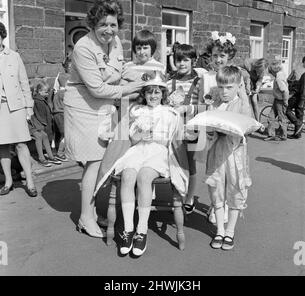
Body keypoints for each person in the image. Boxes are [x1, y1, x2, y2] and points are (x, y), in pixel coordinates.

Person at [64, 0, 144, 238]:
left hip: (105, 106)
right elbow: (97, 88)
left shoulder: (116, 42)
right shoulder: (83, 48)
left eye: (113, 25)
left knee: (103, 158)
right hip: (84, 107)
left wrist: (136, 77)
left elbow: (119, 70)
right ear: (92, 25)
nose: (108, 31)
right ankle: (85, 217)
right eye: (103, 25)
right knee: (94, 161)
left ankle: (90, 210)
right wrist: (129, 88)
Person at [94, 72, 188, 257]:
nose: (153, 96)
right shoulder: (136, 111)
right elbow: (131, 138)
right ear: (144, 94)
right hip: (137, 150)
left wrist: (157, 139)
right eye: (149, 92)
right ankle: (128, 229)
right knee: (128, 175)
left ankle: (141, 230)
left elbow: (174, 142)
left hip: (158, 152)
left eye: (157, 92)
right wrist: (139, 137)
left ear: (163, 94)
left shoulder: (170, 114)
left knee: (144, 177)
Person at [200, 66, 252, 250]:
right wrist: (211, 129)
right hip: (216, 153)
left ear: (238, 86)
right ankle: (220, 230)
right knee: (217, 191)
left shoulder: (241, 103)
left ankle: (230, 231)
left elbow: (247, 124)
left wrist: (244, 96)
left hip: (235, 155)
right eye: (221, 87)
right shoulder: (215, 104)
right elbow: (208, 129)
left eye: (229, 87)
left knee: (235, 190)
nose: (224, 91)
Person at [166, 44, 204, 214]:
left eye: (185, 60)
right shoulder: (169, 82)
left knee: (190, 164)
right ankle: (178, 193)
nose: (181, 63)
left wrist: (188, 109)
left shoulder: (199, 82)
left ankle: (189, 197)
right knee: (174, 162)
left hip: (192, 128)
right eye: (178, 60)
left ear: (192, 61)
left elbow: (203, 106)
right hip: (173, 129)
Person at [0, 22, 37, 197]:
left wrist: (28, 107)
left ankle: (29, 181)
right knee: (2, 146)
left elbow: (24, 83)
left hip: (16, 107)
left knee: (21, 144)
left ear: (2, 36)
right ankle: (8, 182)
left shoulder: (14, 56)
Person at [120, 29, 165, 100]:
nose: (141, 52)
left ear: (152, 48)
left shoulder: (159, 67)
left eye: (145, 48)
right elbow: (123, 86)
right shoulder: (128, 66)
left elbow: (159, 88)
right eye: (138, 48)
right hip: (130, 105)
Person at [28, 81, 62, 167]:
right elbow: (39, 114)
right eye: (45, 92)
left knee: (45, 136)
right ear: (39, 91)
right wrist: (43, 124)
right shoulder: (38, 100)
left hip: (35, 123)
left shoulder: (38, 99)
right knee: (39, 136)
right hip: (32, 124)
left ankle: (50, 156)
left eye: (31, 91)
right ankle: (41, 158)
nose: (47, 94)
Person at [52, 57, 72, 161]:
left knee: (59, 133)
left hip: (56, 112)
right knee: (65, 134)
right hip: (63, 112)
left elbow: (55, 91)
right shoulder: (65, 93)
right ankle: (60, 153)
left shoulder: (58, 93)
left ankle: (56, 151)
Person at [264, 59, 289, 141]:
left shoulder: (279, 78)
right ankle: (271, 134)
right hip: (277, 99)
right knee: (271, 116)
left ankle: (283, 135)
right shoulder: (280, 75)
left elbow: (284, 90)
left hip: (280, 101)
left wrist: (285, 101)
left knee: (281, 118)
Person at [286, 65, 305, 139]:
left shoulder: (302, 74)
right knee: (299, 114)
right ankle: (297, 134)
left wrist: (301, 101)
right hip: (301, 98)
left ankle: (297, 123)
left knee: (287, 110)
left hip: (300, 98)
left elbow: (303, 89)